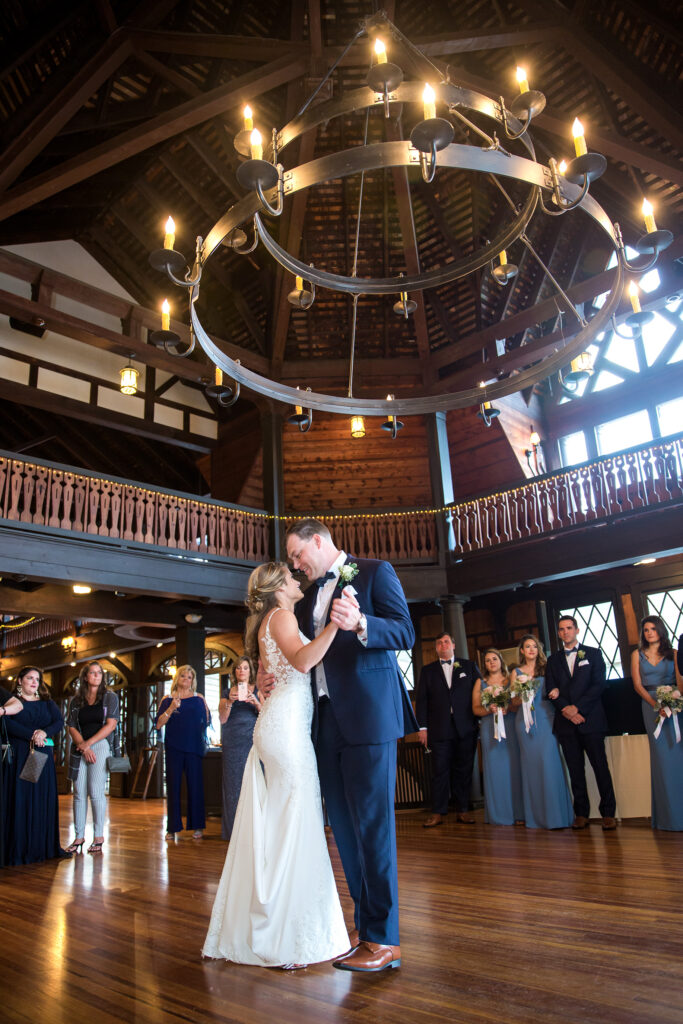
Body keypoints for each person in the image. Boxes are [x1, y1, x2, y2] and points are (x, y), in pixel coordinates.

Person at [284, 518, 417, 973]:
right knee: (343, 829)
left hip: (369, 718)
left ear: (318, 541)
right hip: (324, 724)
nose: (296, 565)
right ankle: (364, 927)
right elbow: (304, 653)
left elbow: (404, 632)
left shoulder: (377, 572)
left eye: (298, 555)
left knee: (374, 828)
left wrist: (362, 622)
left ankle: (385, 938)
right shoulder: (307, 599)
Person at [203, 562, 349, 968]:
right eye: (289, 574)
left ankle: (284, 925)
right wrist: (335, 626)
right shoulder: (281, 615)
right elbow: (303, 662)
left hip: (282, 726)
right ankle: (287, 938)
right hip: (284, 731)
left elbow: (282, 669)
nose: (296, 578)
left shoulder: (275, 618)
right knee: (294, 825)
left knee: (289, 824)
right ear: (277, 586)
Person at [545, 615, 617, 830]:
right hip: (566, 723)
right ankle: (581, 814)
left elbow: (598, 685)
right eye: (561, 629)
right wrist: (567, 710)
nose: (565, 632)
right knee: (575, 770)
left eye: (569, 628)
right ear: (558, 633)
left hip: (590, 719)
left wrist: (578, 708)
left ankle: (608, 813)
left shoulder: (593, 654)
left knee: (600, 768)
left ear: (577, 630)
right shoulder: (553, 660)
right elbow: (551, 689)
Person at [2, 665, 69, 865]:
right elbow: (6, 723)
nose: (34, 682)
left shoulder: (47, 703)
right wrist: (31, 735)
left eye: (37, 679)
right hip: (20, 754)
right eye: (30, 678)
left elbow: (58, 722)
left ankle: (40, 846)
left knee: (38, 799)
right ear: (20, 680)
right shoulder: (12, 701)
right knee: (21, 799)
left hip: (40, 755)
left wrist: (44, 733)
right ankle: (20, 848)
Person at [416, 631, 480, 827]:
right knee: (439, 771)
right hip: (439, 729)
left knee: (464, 770)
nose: (442, 645)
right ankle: (438, 812)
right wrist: (423, 728)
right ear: (436, 648)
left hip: (465, 727)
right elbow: (422, 701)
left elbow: (480, 693)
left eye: (446, 642)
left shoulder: (468, 666)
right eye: (439, 643)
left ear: (453, 645)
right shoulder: (428, 671)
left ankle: (463, 810)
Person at [512, 635, 573, 830]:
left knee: (549, 763)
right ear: (522, 650)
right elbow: (512, 702)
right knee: (531, 766)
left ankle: (557, 816)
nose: (531, 650)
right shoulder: (516, 672)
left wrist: (555, 692)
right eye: (527, 647)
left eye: (534, 647)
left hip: (546, 718)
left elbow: (559, 689)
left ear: (538, 650)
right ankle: (536, 817)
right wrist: (523, 695)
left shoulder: (547, 668)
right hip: (524, 721)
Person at [630, 615, 683, 831]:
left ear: (660, 630)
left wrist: (674, 699)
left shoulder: (675, 654)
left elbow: (681, 681)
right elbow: (637, 685)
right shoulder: (636, 654)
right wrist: (655, 705)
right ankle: (668, 818)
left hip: (676, 707)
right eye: (645, 629)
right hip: (651, 707)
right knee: (661, 760)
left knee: (679, 757)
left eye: (653, 628)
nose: (649, 632)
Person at [66, 661, 120, 854]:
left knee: (95, 792)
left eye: (99, 673)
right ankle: (79, 837)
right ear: (85, 677)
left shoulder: (110, 697)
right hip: (80, 747)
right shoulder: (76, 700)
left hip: (100, 745)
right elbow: (71, 725)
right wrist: (82, 745)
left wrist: (88, 745)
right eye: (92, 673)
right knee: (79, 793)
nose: (96, 676)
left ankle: (98, 836)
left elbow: (111, 725)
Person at [156, 664, 211, 840]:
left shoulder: (198, 698)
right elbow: (158, 724)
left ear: (193, 681)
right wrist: (171, 708)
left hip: (194, 747)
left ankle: (197, 827)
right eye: (183, 676)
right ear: (177, 679)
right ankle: (172, 828)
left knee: (195, 787)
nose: (186, 680)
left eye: (189, 677)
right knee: (173, 787)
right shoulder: (166, 699)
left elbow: (207, 720)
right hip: (174, 748)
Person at [473, 648, 524, 826]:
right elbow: (475, 708)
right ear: (484, 664)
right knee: (495, 769)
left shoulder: (510, 681)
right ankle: (498, 814)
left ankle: (518, 813)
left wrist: (508, 707)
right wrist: (490, 709)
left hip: (509, 726)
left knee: (514, 768)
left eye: (494, 659)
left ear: (500, 660)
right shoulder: (481, 683)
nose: (491, 662)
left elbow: (518, 703)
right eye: (487, 660)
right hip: (489, 729)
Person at [218, 656, 260, 840]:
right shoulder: (227, 692)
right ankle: (233, 831)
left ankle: (253, 829)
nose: (241, 671)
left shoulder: (258, 690)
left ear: (250, 671)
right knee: (233, 784)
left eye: (245, 667)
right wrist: (229, 701)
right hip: (232, 741)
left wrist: (255, 702)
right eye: (238, 668)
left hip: (252, 739)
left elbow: (266, 713)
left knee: (254, 781)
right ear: (234, 672)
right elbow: (222, 719)